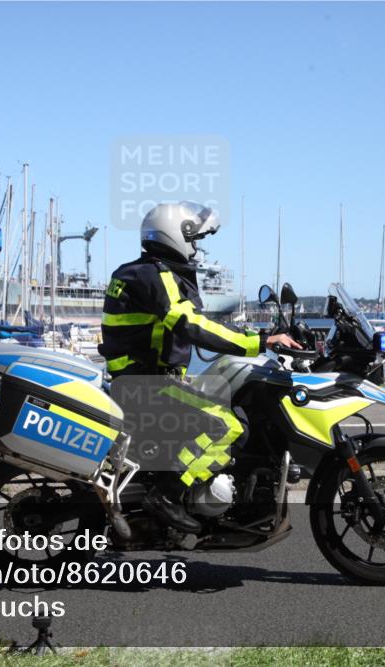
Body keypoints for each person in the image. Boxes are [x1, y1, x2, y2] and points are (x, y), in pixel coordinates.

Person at [99, 202, 301, 532]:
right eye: (193, 240)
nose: (196, 249)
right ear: (173, 235)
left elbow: (184, 324)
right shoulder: (157, 275)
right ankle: (168, 495)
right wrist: (260, 341)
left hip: (138, 379)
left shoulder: (138, 271)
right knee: (227, 426)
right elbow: (191, 325)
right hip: (145, 385)